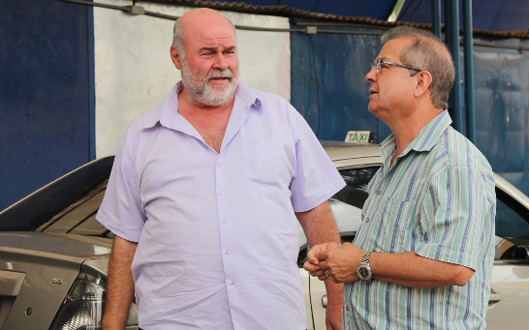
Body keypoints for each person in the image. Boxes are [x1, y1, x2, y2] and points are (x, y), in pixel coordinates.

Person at [97, 8, 345, 330]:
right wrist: (112, 325)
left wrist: (337, 303)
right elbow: (126, 240)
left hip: (272, 320)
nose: (222, 64)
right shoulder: (142, 135)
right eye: (208, 53)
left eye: (229, 51)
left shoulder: (280, 118)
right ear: (177, 57)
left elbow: (316, 214)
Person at [304, 25, 496, 329]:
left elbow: (454, 266)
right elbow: (386, 253)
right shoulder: (392, 163)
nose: (370, 74)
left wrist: (361, 263)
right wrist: (339, 257)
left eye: (383, 65)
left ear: (421, 82)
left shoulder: (453, 162)